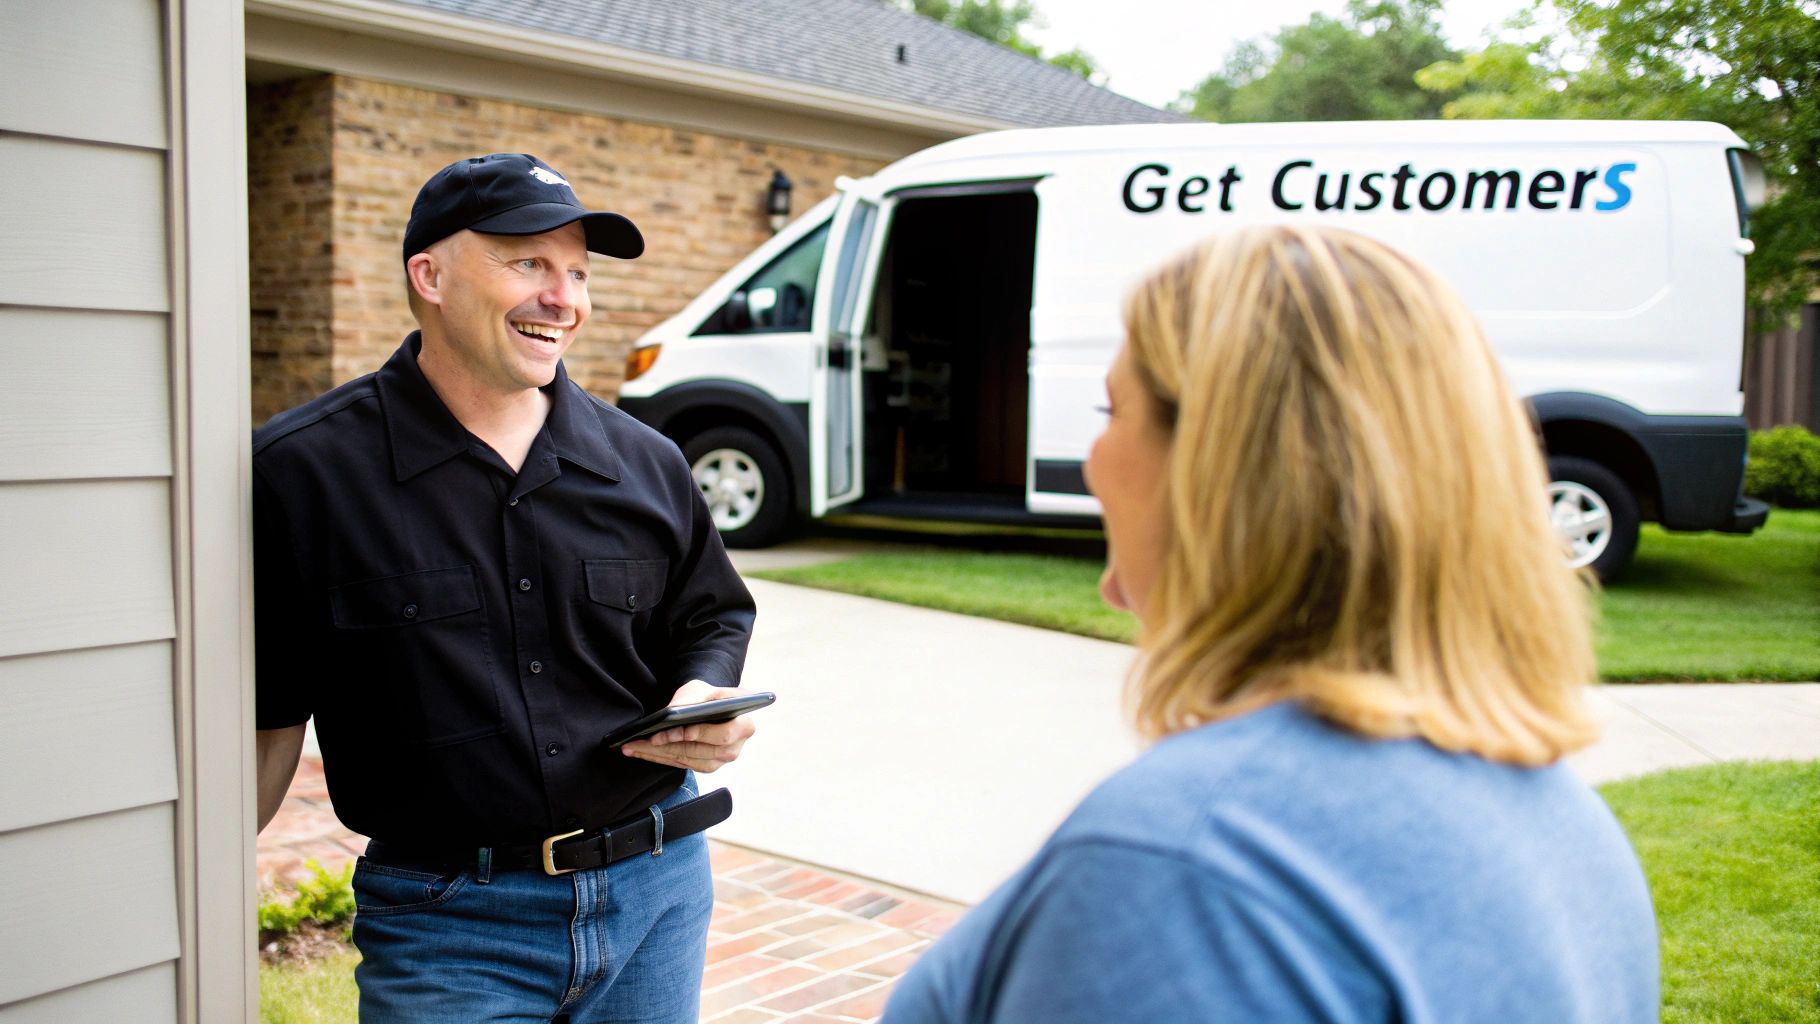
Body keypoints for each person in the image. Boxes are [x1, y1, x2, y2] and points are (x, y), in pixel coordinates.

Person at [880, 225, 1659, 1023]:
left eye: (1113, 409)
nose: (1091, 460)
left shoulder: (1191, 866)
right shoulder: (1565, 822)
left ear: (1221, 468)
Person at [253, 152, 761, 1023]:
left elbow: (711, 612)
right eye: (528, 262)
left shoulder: (646, 462)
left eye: (576, 272)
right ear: (431, 274)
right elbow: (266, 714)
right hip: (451, 924)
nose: (562, 297)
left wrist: (704, 690)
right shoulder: (304, 475)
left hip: (659, 896)